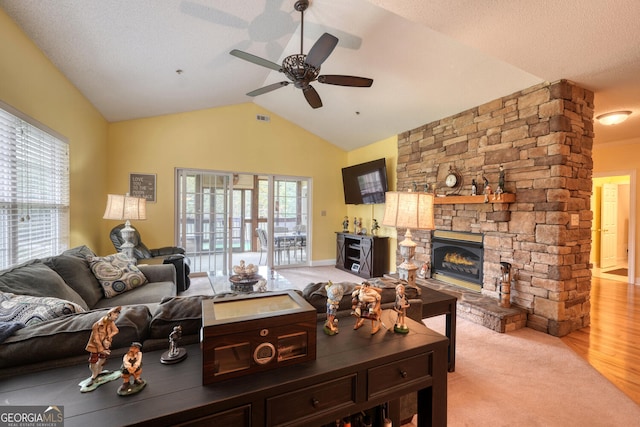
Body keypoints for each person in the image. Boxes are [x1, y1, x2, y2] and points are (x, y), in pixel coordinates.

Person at [85, 306, 121, 385]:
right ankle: (94, 375)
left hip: (105, 344)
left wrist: (109, 336)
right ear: (110, 314)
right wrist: (101, 349)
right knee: (93, 360)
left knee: (103, 358)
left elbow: (116, 330)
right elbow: (96, 339)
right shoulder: (97, 325)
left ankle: (99, 371)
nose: (116, 317)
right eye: (115, 315)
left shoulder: (111, 323)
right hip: (95, 345)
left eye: (117, 315)